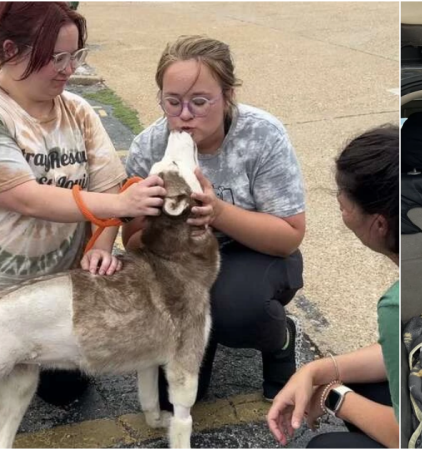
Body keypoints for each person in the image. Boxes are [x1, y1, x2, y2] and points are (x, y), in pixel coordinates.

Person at [122, 35, 306, 406]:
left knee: (236, 308)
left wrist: (218, 212)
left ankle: (280, 339)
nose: (184, 115)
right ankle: (201, 338)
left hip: (253, 253)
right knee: (172, 401)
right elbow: (132, 242)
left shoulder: (261, 135)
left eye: (200, 102)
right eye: (172, 102)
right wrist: (162, 221)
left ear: (228, 95)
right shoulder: (149, 147)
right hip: (180, 263)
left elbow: (289, 236)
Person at [0, 2, 166, 406]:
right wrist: (118, 204)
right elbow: (23, 195)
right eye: (56, 58)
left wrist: (102, 246)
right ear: (9, 51)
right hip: (5, 292)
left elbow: (110, 189)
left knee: (67, 391)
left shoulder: (77, 110)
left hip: (59, 294)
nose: (68, 69)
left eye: (75, 56)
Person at [267, 125, 399, 449]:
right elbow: (399, 350)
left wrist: (331, 393)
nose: (338, 199)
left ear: (379, 223)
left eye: (344, 197)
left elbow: (409, 435)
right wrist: (319, 370)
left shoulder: (395, 303)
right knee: (365, 385)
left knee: (324, 446)